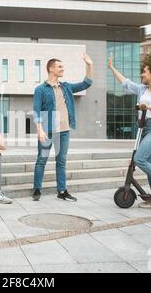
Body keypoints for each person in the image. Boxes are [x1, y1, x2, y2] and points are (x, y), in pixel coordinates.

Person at [108, 56, 151, 209]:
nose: (142, 75)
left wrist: (149, 107)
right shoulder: (142, 89)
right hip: (142, 129)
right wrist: (111, 67)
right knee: (149, 162)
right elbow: (126, 83)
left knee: (139, 159)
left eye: (144, 72)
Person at [32, 54, 94, 201]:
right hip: (47, 130)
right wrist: (39, 130)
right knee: (42, 159)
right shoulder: (40, 89)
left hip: (64, 131)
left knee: (61, 161)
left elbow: (87, 83)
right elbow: (36, 110)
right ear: (51, 69)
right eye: (60, 66)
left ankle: (62, 191)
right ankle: (36, 189)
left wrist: (89, 65)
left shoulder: (66, 87)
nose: (62, 69)